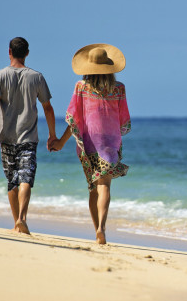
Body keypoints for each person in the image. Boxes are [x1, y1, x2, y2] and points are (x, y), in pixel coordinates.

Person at [52, 43, 130, 245]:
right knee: (105, 187)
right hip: (110, 144)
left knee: (93, 188)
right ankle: (101, 229)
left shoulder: (81, 87)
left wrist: (60, 142)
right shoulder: (119, 88)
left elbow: (74, 119)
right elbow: (123, 120)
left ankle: (97, 229)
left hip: (88, 145)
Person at [0, 37, 57, 235]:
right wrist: (53, 135)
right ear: (27, 53)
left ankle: (16, 221)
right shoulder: (37, 77)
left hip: (6, 136)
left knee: (12, 180)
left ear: (9, 51)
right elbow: (48, 108)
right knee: (26, 178)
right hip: (28, 137)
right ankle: (22, 219)